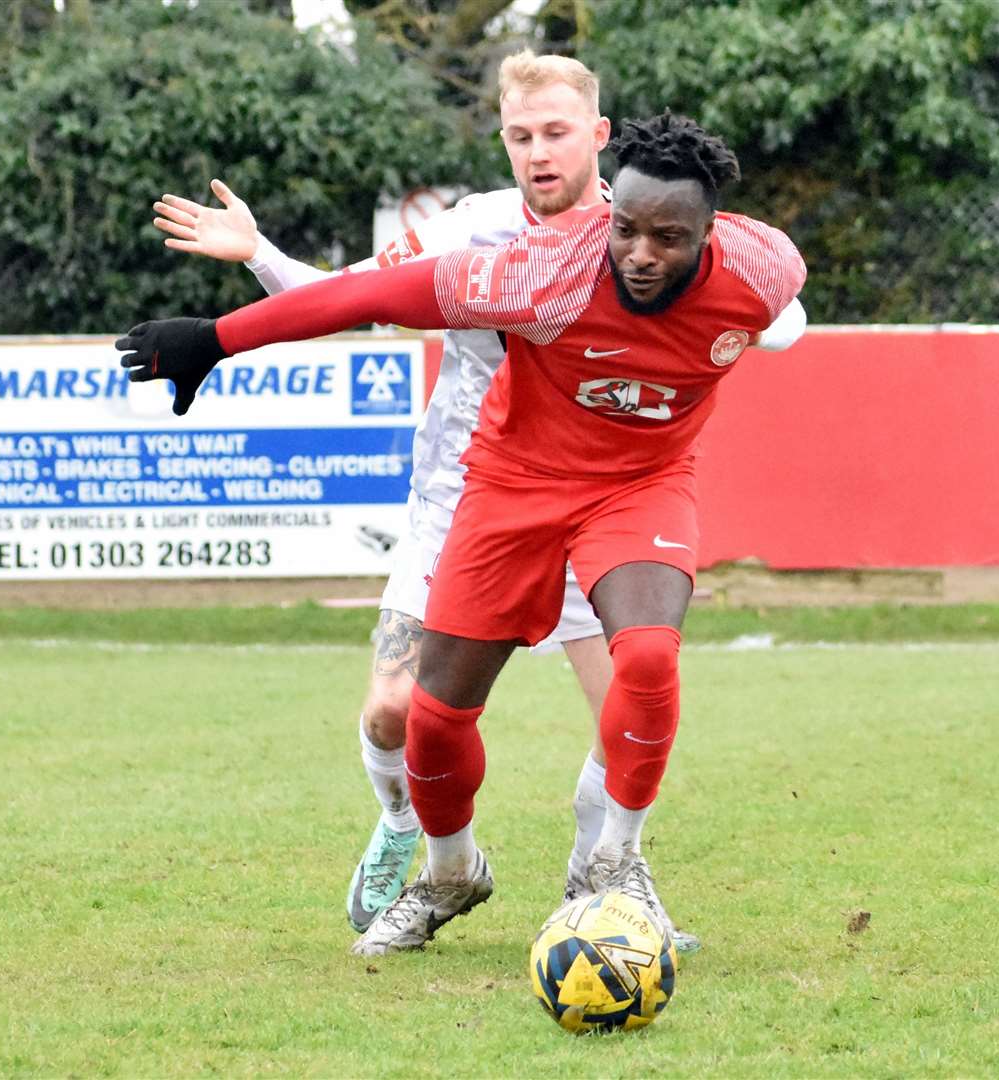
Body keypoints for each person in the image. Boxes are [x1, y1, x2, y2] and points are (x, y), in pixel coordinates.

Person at [118, 112, 807, 956]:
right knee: (434, 716)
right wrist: (216, 340)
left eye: (668, 237)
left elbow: (776, 308)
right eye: (625, 228)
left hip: (642, 486)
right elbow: (369, 293)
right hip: (513, 486)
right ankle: (451, 871)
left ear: (710, 234)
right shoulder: (540, 273)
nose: (639, 252)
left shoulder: (764, 266)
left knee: (651, 657)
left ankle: (616, 868)